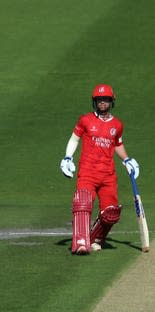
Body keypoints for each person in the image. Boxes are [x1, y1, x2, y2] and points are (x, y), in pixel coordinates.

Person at [60, 84, 140, 255]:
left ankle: (96, 239)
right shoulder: (85, 120)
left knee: (111, 213)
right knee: (83, 203)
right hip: (88, 172)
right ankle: (81, 242)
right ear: (94, 102)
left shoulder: (117, 125)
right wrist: (67, 157)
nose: (102, 103)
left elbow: (117, 143)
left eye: (106, 100)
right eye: (99, 100)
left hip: (108, 174)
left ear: (112, 102)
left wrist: (127, 159)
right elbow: (74, 139)